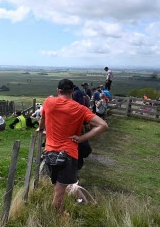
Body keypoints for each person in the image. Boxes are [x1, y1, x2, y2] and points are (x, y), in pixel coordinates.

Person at [38, 79, 108, 214]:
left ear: (58, 91)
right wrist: (82, 138)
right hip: (68, 154)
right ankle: (58, 218)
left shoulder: (48, 102)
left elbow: (43, 120)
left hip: (49, 152)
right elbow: (103, 126)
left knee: (58, 188)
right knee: (59, 191)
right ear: (72, 91)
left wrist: (41, 129)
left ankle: (59, 213)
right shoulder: (80, 109)